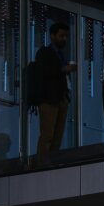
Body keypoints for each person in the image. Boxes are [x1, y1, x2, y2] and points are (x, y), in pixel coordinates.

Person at [26, 22, 74, 160]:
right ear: (52, 36)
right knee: (48, 134)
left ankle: (51, 161)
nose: (64, 38)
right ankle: (43, 162)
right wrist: (63, 70)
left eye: (65, 36)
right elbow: (43, 72)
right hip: (49, 98)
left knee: (57, 135)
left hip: (61, 97)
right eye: (61, 36)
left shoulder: (60, 54)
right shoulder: (44, 52)